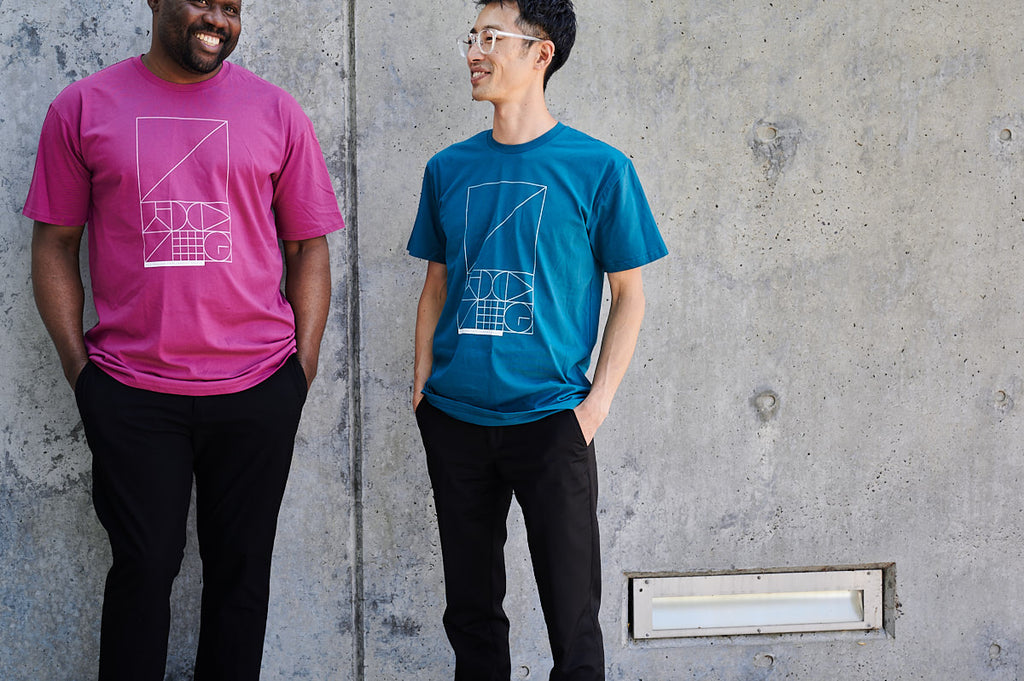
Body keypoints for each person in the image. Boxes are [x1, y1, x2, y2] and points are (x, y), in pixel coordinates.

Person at [24, 0, 344, 678]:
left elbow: (308, 246)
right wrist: (83, 373)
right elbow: (54, 244)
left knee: (241, 576)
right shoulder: (82, 108)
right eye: (203, 1)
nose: (217, 19)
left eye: (231, 7)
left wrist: (300, 371)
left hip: (259, 387)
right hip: (132, 393)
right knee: (142, 571)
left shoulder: (277, 112)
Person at [408, 1, 668, 679]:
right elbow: (436, 286)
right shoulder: (447, 168)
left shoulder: (600, 168)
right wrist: (422, 388)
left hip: (553, 421)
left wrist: (595, 406)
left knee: (573, 623)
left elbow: (630, 295)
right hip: (456, 419)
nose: (474, 51)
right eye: (472, 37)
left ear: (540, 53)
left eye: (491, 37)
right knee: (470, 617)